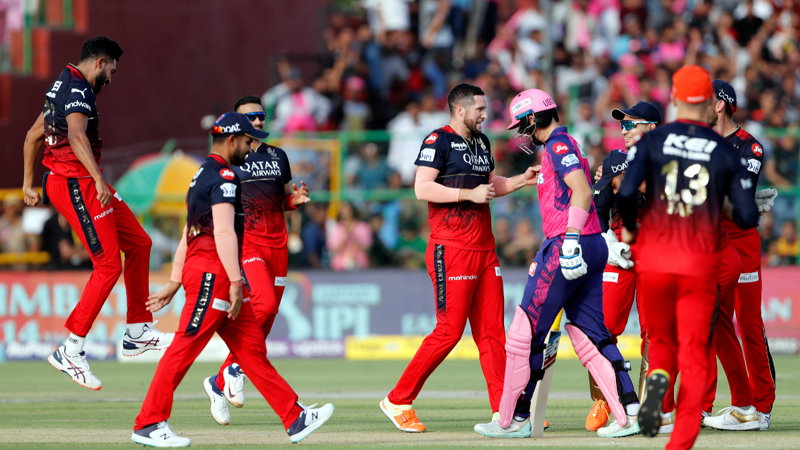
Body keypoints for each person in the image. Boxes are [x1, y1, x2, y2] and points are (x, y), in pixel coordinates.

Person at [132, 113, 332, 447]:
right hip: (213, 274)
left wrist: (175, 280)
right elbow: (223, 231)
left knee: (251, 351)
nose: (252, 147)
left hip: (212, 272)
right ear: (232, 140)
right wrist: (237, 282)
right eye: (248, 140)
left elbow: (188, 232)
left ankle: (294, 417)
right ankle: (149, 422)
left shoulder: (201, 174)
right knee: (185, 345)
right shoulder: (223, 176)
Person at [474, 88, 641, 439]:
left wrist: (568, 240)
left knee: (524, 334)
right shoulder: (566, 144)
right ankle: (628, 413)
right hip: (593, 243)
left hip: (570, 242)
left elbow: (581, 190)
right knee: (591, 335)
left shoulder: (558, 146)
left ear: (534, 118)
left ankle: (512, 420)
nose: (523, 132)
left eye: (524, 124)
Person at [380, 83, 538, 433]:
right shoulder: (438, 140)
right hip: (451, 249)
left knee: (493, 334)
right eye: (480, 109)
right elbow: (422, 187)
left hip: (485, 250)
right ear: (460, 110)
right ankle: (397, 400)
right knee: (449, 332)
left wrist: (518, 181)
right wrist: (468, 193)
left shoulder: (481, 142)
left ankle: (504, 413)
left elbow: (488, 185)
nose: (485, 115)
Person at [617, 65, 759, 450]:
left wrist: (630, 230)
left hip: (656, 259)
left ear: (676, 98)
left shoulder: (653, 140)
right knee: (695, 350)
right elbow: (747, 215)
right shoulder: (725, 151)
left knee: (661, 339)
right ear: (708, 103)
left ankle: (658, 384)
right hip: (699, 261)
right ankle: (679, 442)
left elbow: (628, 193)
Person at [21, 36, 171, 390]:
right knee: (107, 265)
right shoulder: (77, 89)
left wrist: (29, 183)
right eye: (112, 70)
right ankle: (71, 349)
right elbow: (75, 135)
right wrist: (96, 178)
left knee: (139, 243)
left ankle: (137, 330)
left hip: (77, 181)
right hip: (77, 183)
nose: (112, 78)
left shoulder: (61, 84)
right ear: (101, 61)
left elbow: (31, 136)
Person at [201, 96, 310, 426]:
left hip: (278, 245)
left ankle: (219, 381)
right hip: (249, 243)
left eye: (261, 116)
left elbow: (282, 200)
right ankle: (235, 368)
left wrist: (296, 200)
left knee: (270, 312)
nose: (258, 122)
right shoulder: (232, 159)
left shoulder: (278, 156)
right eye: (251, 117)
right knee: (261, 305)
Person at [586, 102, 676, 436]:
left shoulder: (672, 158)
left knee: (654, 331)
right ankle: (603, 401)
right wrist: (607, 239)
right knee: (603, 327)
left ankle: (644, 408)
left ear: (652, 127)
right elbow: (598, 207)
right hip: (620, 249)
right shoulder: (613, 159)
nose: (623, 130)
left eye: (630, 124)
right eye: (621, 125)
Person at [702, 80, 777, 431]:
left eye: (704, 99)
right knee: (713, 322)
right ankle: (722, 403)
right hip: (710, 239)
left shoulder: (751, 146)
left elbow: (738, 197)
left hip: (741, 241)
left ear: (720, 104)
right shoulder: (699, 141)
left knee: (748, 323)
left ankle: (761, 408)